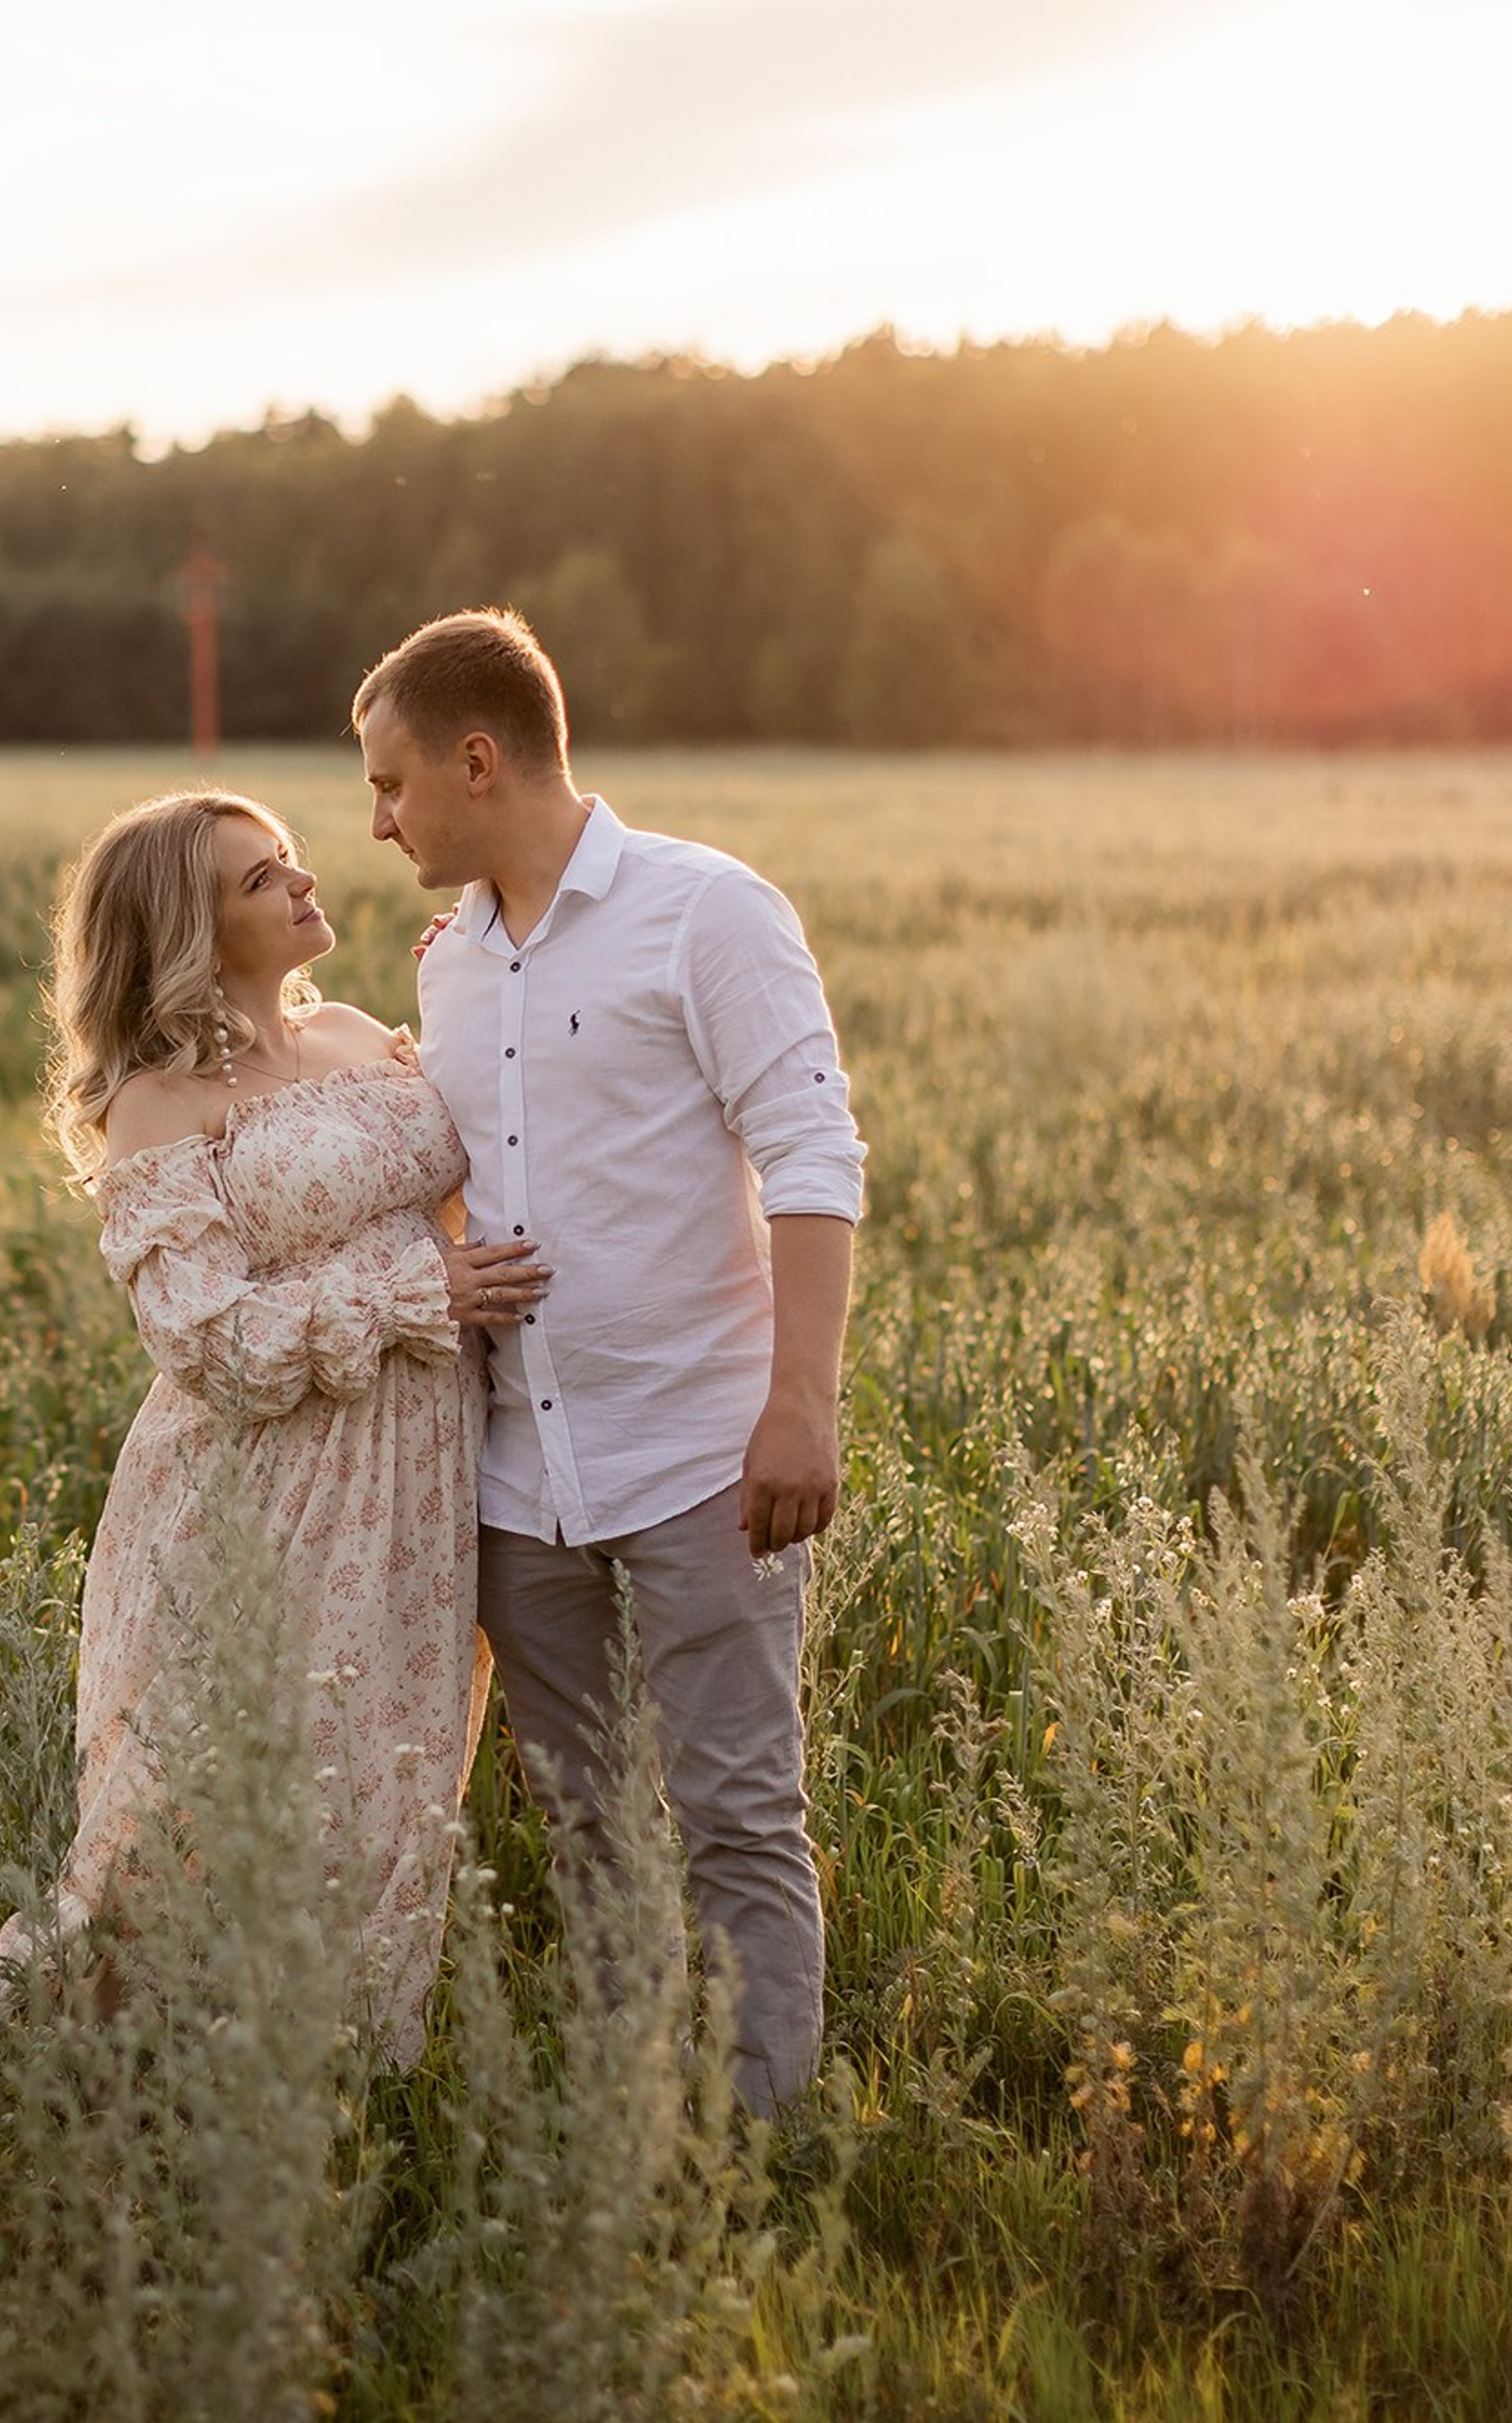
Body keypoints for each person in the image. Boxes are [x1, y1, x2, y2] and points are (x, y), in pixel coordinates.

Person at [352, 610, 865, 2115]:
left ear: (476, 757)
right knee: (584, 1822)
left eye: (391, 786)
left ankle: (758, 2150)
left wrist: (802, 1405)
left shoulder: (708, 912)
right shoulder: (452, 962)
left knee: (737, 1813)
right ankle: (630, 2124)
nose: (377, 822)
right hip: (519, 1475)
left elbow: (815, 1155)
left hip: (705, 1456)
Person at [0, 788, 546, 2064]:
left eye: (291, 862)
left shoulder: (358, 1031)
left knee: (385, 1783)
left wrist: (467, 992)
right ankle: (114, 2070)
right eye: (260, 880)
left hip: (415, 1467)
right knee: (214, 1786)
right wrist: (425, 1293)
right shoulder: (157, 1103)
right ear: (190, 927)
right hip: (263, 1487)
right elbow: (212, 1340)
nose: (305, 883)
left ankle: (345, 2076)